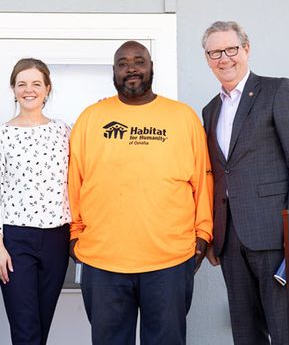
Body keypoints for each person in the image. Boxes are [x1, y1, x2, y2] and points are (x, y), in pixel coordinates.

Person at [68, 41, 213, 345]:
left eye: (139, 61)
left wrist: (203, 235)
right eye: (123, 63)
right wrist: (74, 233)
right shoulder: (90, 119)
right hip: (103, 260)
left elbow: (203, 180)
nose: (131, 68)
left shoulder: (183, 117)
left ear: (151, 68)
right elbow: (74, 182)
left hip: (170, 260)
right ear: (113, 72)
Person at [201, 21, 289, 345]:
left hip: (275, 238)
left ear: (246, 49)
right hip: (230, 242)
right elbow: (219, 174)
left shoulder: (277, 90)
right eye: (214, 53)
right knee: (245, 333)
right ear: (207, 58)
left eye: (231, 49)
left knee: (285, 332)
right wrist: (213, 234)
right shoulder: (210, 110)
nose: (224, 59)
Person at [0, 58, 71, 345]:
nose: (28, 90)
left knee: (41, 327)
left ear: (47, 89)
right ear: (13, 89)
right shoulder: (1, 135)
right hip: (16, 239)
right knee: (25, 328)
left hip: (57, 237)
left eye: (36, 84)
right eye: (22, 84)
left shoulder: (64, 132)